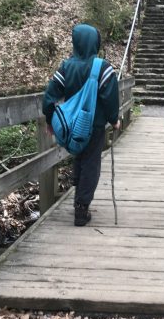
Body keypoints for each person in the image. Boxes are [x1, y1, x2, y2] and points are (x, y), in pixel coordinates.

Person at [42, 23, 120, 227]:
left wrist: (50, 120)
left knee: (79, 156)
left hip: (72, 126)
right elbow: (110, 97)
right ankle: (82, 208)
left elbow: (49, 97)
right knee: (91, 164)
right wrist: (114, 119)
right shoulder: (102, 67)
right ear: (95, 42)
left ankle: (78, 194)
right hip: (94, 125)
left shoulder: (66, 67)